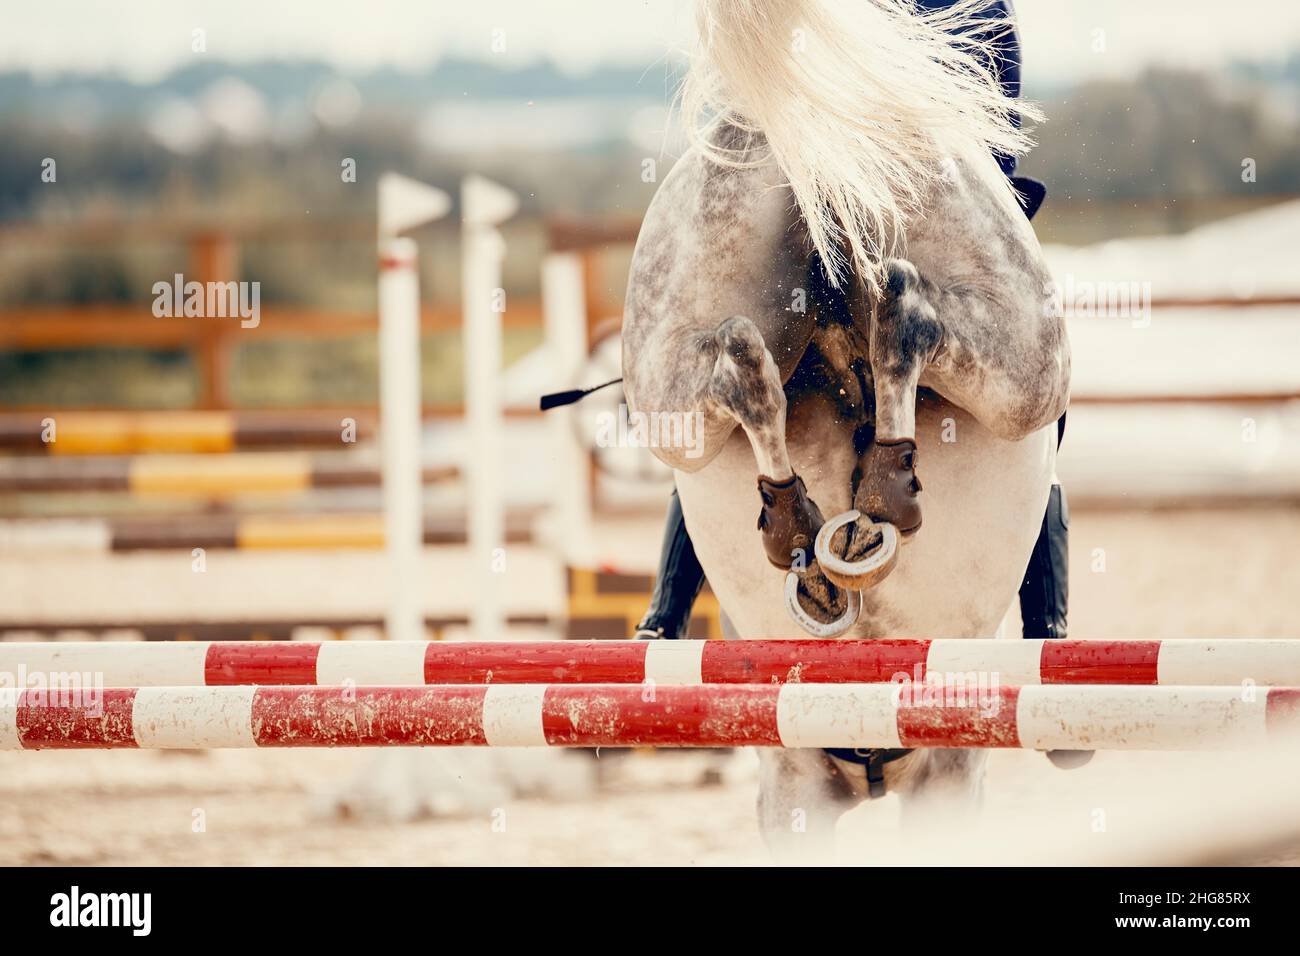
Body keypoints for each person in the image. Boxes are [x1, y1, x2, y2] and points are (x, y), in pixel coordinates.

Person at [634, 0, 1068, 644]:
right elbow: (992, 144)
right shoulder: (977, 15)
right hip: (931, 117)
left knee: (709, 381)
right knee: (1041, 392)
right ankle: (1046, 631)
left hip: (779, 116)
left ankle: (666, 617)